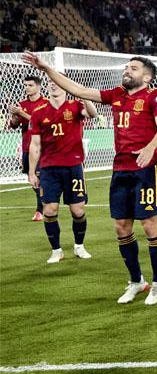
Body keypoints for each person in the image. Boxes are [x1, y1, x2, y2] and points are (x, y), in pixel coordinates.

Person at [24, 52, 157, 306]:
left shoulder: (154, 96)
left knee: (149, 226)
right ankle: (137, 281)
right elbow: (78, 89)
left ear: (146, 77)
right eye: (127, 67)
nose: (127, 70)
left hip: (147, 170)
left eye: (134, 68)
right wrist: (46, 68)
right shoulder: (116, 94)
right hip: (121, 170)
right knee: (121, 227)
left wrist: (149, 148)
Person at [27, 81, 98, 263]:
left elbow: (93, 114)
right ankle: (56, 250)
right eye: (50, 83)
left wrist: (83, 95)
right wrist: (32, 172)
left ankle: (79, 246)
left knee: (78, 210)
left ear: (65, 86)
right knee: (49, 210)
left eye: (57, 82)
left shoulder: (76, 106)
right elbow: (35, 145)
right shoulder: (38, 112)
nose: (53, 85)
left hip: (74, 167)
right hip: (49, 169)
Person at [8, 75, 48, 221]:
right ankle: (45, 201)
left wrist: (21, 113)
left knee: (39, 177)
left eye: (30, 85)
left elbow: (42, 122)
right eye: (25, 85)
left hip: (41, 148)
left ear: (38, 87)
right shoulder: (22, 103)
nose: (27, 87)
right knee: (32, 178)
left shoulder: (46, 104)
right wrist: (14, 116)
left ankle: (40, 210)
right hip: (26, 147)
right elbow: (14, 125)